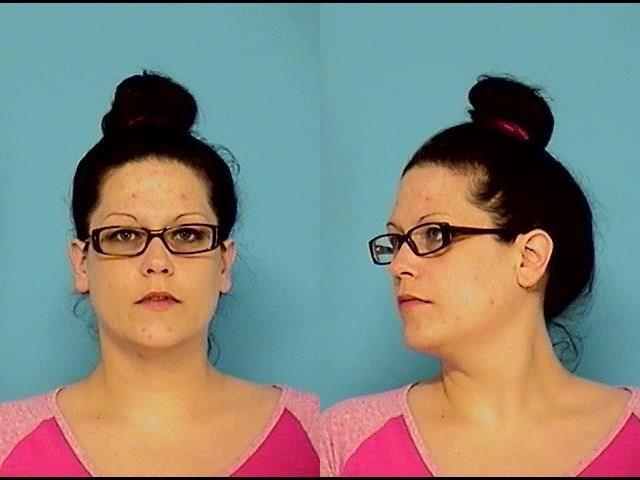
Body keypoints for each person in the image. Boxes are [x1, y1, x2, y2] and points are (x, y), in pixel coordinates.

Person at [0, 71, 319, 476]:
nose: (157, 262)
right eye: (124, 235)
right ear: (81, 265)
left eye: (186, 234)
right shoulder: (7, 442)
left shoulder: (315, 434)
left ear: (224, 263)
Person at [320, 75, 640, 476]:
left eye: (434, 234)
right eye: (396, 241)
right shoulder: (344, 440)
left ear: (529, 258)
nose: (399, 265)